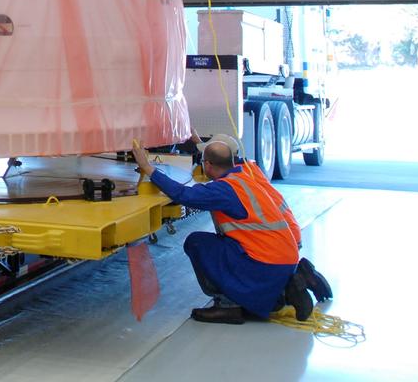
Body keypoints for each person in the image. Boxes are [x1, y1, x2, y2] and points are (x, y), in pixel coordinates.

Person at [131, 135, 331, 324]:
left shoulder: (224, 190)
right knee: (227, 246)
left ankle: (229, 306)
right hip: (286, 257)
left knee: (197, 243)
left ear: (207, 165)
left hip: (267, 264)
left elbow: (184, 195)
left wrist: (147, 167)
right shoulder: (244, 176)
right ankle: (287, 288)